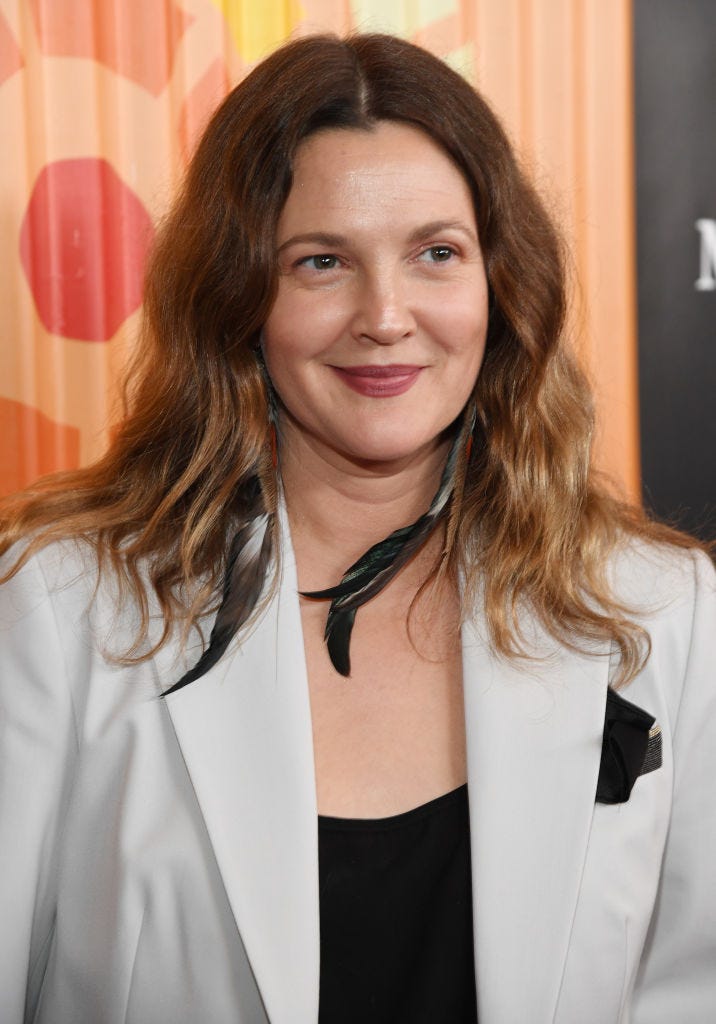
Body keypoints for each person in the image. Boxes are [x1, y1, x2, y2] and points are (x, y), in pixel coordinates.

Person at [0, 32, 714, 1024]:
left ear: (499, 284)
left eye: (435, 253)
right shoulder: (62, 606)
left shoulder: (658, 607)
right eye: (322, 261)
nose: (384, 315)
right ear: (237, 297)